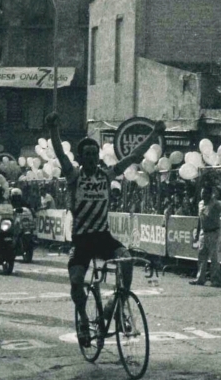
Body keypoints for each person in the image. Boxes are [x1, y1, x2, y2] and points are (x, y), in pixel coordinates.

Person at [46, 111, 164, 347]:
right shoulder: (74, 175)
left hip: (102, 237)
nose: (91, 158)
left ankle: (119, 305)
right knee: (77, 281)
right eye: (87, 155)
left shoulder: (106, 174)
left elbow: (133, 156)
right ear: (81, 158)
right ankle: (82, 320)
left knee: (127, 259)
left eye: (94, 155)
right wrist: (53, 130)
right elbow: (59, 152)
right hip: (81, 240)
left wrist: (154, 134)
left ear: (98, 157)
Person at [191, 184, 221, 287]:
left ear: (210, 194)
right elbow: (200, 219)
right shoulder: (200, 204)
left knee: (214, 257)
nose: (203, 195)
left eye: (206, 193)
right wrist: (197, 233)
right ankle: (200, 278)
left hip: (213, 232)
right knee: (202, 255)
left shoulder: (215, 203)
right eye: (202, 193)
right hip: (203, 231)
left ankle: (216, 280)